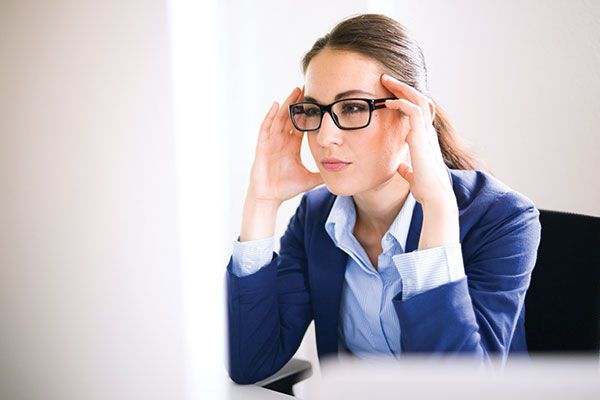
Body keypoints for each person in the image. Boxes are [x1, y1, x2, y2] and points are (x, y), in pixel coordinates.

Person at [225, 14, 541, 384]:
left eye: (353, 107)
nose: (325, 136)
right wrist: (262, 203)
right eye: (313, 110)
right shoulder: (315, 217)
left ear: (411, 116)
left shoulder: (502, 218)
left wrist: (438, 212)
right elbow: (251, 363)